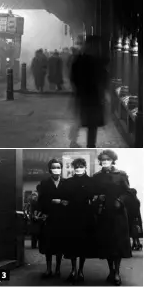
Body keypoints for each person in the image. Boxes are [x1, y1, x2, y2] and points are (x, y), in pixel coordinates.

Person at [91, 150, 136, 286]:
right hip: (104, 213)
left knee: (118, 244)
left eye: (108, 159)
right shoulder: (96, 177)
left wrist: (120, 200)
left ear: (112, 160)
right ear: (100, 161)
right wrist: (98, 197)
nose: (105, 162)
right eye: (103, 160)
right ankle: (111, 270)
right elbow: (93, 194)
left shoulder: (121, 175)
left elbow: (129, 193)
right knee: (108, 244)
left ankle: (117, 272)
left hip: (118, 214)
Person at [70, 35, 110, 147]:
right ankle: (83, 144)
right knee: (89, 124)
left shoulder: (80, 59)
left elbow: (73, 78)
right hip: (91, 97)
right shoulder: (93, 61)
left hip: (87, 97)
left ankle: (80, 143)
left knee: (86, 123)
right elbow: (103, 78)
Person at [63, 158, 96, 283]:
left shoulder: (91, 181)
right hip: (71, 216)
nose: (78, 168)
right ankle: (73, 269)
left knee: (82, 245)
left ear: (85, 167)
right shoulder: (68, 182)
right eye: (76, 166)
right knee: (72, 244)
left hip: (85, 216)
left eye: (81, 166)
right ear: (73, 167)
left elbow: (94, 197)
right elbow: (64, 197)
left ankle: (81, 270)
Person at [37, 159, 68, 278]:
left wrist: (61, 201)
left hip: (61, 218)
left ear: (61, 168)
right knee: (48, 244)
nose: (56, 169)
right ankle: (48, 268)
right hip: (49, 217)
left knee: (59, 244)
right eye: (53, 167)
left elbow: (68, 199)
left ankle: (58, 269)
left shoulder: (66, 183)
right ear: (50, 169)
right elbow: (41, 200)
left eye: (58, 167)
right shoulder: (44, 183)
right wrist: (51, 202)